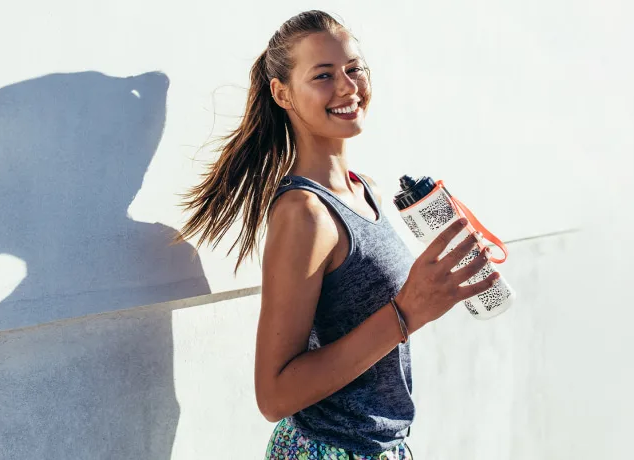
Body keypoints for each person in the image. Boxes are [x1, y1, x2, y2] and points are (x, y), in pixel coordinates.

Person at [177, 10, 500, 460]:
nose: (348, 87)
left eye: (354, 69)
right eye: (324, 75)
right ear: (282, 93)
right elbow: (274, 396)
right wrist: (406, 311)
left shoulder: (365, 190)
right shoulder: (304, 214)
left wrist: (441, 281)